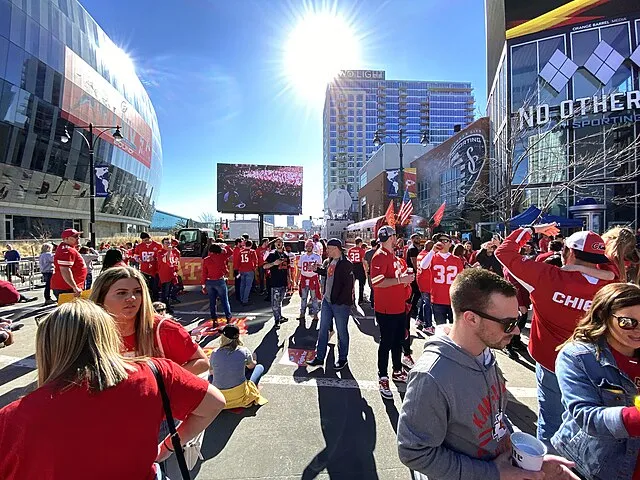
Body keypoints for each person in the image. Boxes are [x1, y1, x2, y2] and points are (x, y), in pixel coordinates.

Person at [0, 299, 226, 479]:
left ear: (46, 346)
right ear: (108, 336)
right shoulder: (155, 372)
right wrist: (166, 447)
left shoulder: (10, 419)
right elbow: (214, 403)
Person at [397, 268, 578, 480]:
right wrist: (492, 472)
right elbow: (414, 453)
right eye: (508, 324)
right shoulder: (431, 377)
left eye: (517, 320)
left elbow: (496, 420)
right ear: (471, 319)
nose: (517, 331)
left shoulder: (484, 354)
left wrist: (525, 461)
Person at [495, 224, 615, 450]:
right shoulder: (610, 285)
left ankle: (549, 468)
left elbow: (504, 253)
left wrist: (530, 229)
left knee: (551, 423)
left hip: (551, 361)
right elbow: (615, 271)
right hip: (594, 365)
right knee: (587, 423)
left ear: (568, 252)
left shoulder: (547, 276)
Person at [553, 283, 640, 480]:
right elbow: (587, 417)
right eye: (628, 322)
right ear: (603, 315)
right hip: (589, 467)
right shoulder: (577, 356)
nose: (637, 330)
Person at [90, 266, 210, 376]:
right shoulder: (86, 330)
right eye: (121, 293)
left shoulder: (164, 328)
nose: (132, 298)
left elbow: (202, 362)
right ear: (101, 298)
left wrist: (163, 382)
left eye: (137, 291)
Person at [370, 226, 415, 399]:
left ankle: (397, 370)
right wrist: (401, 280)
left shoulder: (393, 257)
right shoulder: (380, 256)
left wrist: (405, 281)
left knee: (398, 340)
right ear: (390, 237)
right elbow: (377, 282)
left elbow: (396, 280)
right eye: (394, 236)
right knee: (386, 342)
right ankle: (382, 375)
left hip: (398, 306)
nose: (397, 238)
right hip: (386, 308)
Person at [307, 238, 354, 370]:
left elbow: (348, 286)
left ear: (335, 248)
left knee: (342, 332)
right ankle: (319, 357)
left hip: (340, 304)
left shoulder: (346, 264)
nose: (326, 250)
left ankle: (343, 358)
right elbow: (328, 274)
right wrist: (317, 270)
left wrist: (338, 301)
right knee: (323, 330)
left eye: (328, 248)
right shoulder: (329, 262)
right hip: (328, 302)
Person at [210, 324, 268, 409]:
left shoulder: (214, 353)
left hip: (220, 397)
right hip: (239, 395)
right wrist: (254, 358)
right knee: (259, 367)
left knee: (211, 376)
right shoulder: (244, 351)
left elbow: (211, 373)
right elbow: (251, 366)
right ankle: (253, 388)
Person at [419, 233, 464, 326]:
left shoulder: (456, 259)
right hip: (437, 298)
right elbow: (423, 266)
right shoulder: (433, 257)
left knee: (455, 327)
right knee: (440, 328)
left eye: (446, 241)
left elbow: (461, 278)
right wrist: (432, 251)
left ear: (450, 244)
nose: (443, 243)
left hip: (453, 298)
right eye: (440, 241)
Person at [201, 242, 234, 324]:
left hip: (209, 282)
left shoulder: (206, 259)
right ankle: (228, 317)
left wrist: (203, 284)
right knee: (224, 300)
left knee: (212, 301)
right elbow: (230, 252)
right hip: (219, 281)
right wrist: (225, 246)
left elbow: (204, 273)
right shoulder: (221, 257)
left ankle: (214, 319)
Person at [51, 228, 87, 299]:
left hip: (68, 287)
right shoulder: (67, 250)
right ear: (66, 238)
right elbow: (65, 270)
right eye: (75, 236)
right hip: (67, 288)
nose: (78, 238)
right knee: (72, 309)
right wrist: (75, 287)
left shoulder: (68, 248)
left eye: (78, 236)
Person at [264, 238, 290, 329]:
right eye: (277, 242)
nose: (279, 244)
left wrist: (289, 280)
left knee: (280, 301)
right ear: (275, 244)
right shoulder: (272, 254)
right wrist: (273, 264)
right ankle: (276, 320)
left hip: (284, 282)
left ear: (283, 244)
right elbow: (264, 266)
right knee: (275, 303)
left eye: (280, 242)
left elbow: (288, 269)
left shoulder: (286, 255)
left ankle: (280, 316)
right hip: (275, 282)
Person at [297, 239, 322, 321]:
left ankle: (315, 314)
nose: (308, 248)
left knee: (314, 298)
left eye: (310, 246)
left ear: (313, 247)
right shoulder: (302, 257)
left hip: (313, 279)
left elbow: (320, 269)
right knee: (303, 298)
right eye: (307, 246)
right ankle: (302, 313)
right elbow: (299, 269)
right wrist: (297, 280)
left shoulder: (317, 257)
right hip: (304, 279)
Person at [133, 232, 163, 301]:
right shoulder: (139, 246)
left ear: (150, 238)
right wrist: (138, 260)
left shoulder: (158, 245)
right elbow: (135, 256)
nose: (145, 242)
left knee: (155, 288)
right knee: (145, 287)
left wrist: (155, 259)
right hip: (144, 270)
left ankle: (155, 301)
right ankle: (147, 301)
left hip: (155, 270)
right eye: (143, 240)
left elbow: (162, 257)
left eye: (146, 240)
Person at [415, 240, 435, 335]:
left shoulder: (420, 254)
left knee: (424, 301)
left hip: (421, 280)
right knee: (427, 304)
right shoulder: (427, 255)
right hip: (426, 281)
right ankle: (428, 325)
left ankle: (420, 319)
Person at [157, 238, 180, 314]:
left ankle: (168, 304)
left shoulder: (173, 252)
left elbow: (173, 262)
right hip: (164, 275)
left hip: (171, 274)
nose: (168, 244)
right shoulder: (160, 252)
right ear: (163, 244)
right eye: (166, 243)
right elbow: (165, 260)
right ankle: (166, 307)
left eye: (169, 243)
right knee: (165, 293)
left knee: (170, 291)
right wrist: (169, 251)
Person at [406, 233, 423, 317]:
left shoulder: (415, 248)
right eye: (416, 238)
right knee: (416, 291)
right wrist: (418, 272)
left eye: (419, 238)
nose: (418, 239)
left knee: (414, 291)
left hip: (412, 272)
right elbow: (414, 262)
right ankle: (412, 307)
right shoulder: (412, 249)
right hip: (413, 273)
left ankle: (410, 306)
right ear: (412, 239)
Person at [347, 237, 367, 304]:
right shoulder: (361, 250)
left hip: (352, 266)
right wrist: (366, 269)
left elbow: (348, 259)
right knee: (361, 283)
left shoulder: (350, 250)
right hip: (359, 266)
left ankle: (352, 298)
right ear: (360, 243)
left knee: (352, 283)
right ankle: (360, 299)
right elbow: (363, 260)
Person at [238, 239, 257, 306]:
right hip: (249, 270)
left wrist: (239, 269)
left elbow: (238, 261)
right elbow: (255, 261)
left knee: (242, 285)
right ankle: (245, 300)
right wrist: (254, 268)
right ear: (251, 245)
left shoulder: (241, 252)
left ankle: (242, 298)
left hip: (242, 270)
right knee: (248, 286)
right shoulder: (252, 251)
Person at [363, 239, 379, 308]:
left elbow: (365, 263)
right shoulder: (379, 252)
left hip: (370, 271)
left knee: (371, 286)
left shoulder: (367, 253)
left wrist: (366, 271)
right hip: (378, 272)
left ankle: (372, 301)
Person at [232, 237, 243, 302]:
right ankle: (238, 296)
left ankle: (238, 296)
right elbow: (237, 260)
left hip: (237, 269)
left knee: (238, 282)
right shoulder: (237, 250)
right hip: (238, 269)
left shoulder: (237, 249)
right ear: (239, 243)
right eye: (241, 242)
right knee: (238, 283)